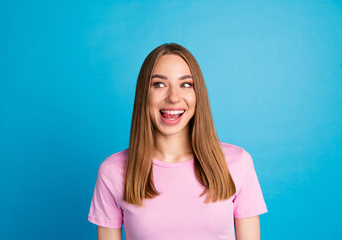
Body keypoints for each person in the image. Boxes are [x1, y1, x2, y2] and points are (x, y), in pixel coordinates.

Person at [88, 43, 268, 240]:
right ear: (143, 95)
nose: (173, 97)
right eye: (159, 84)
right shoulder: (112, 171)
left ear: (197, 94)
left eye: (186, 84)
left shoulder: (238, 162)